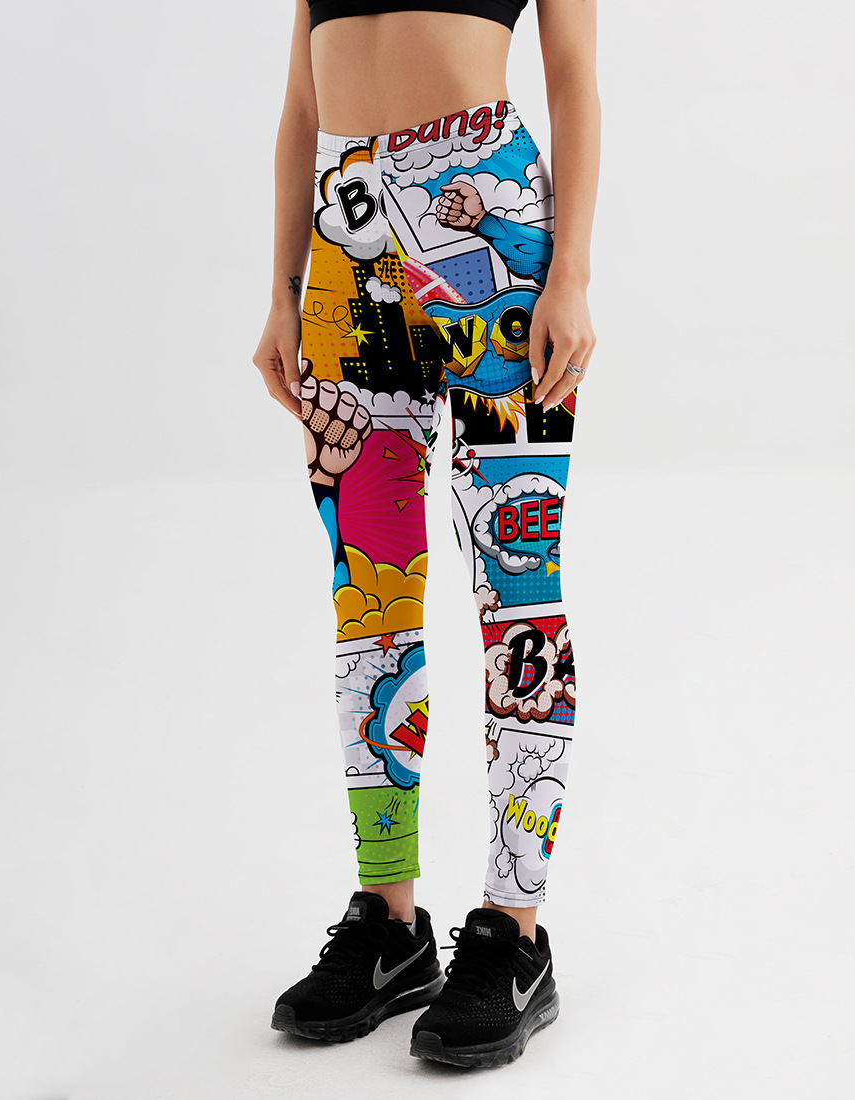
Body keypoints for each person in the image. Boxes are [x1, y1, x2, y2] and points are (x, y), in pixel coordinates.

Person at [252, 0, 599, 1068]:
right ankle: (390, 923)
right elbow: (302, 103)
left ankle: (512, 931)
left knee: (518, 585)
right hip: (344, 246)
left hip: (486, 224)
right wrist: (282, 290)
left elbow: (573, 75)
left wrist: (570, 273)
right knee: (369, 593)